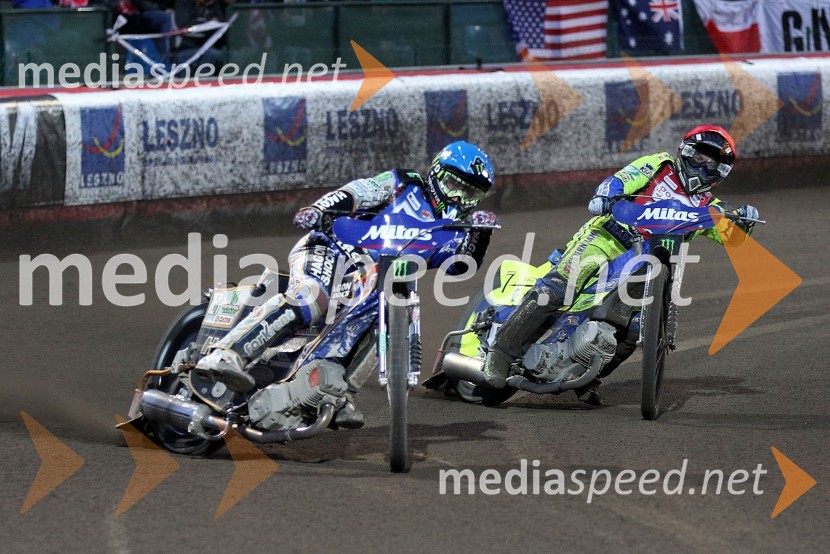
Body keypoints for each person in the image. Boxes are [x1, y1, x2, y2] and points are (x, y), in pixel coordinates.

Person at [197, 141, 498, 428]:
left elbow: (459, 264)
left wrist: (481, 234)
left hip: (373, 282)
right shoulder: (404, 184)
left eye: (469, 194)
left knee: (382, 321)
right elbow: (359, 191)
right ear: (435, 174)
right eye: (453, 185)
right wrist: (318, 209)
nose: (457, 198)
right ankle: (227, 354)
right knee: (311, 299)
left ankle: (338, 394)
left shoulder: (454, 231)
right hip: (330, 249)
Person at [482, 125, 760, 403]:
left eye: (712, 164)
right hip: (607, 236)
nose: (702, 166)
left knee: (634, 329)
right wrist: (606, 195)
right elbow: (622, 178)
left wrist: (744, 220)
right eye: (699, 157)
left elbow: (731, 238)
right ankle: (501, 352)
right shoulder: (659, 165)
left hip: (645, 262)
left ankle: (586, 377)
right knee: (559, 287)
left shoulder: (709, 207)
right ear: (685, 152)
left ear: (721, 172)